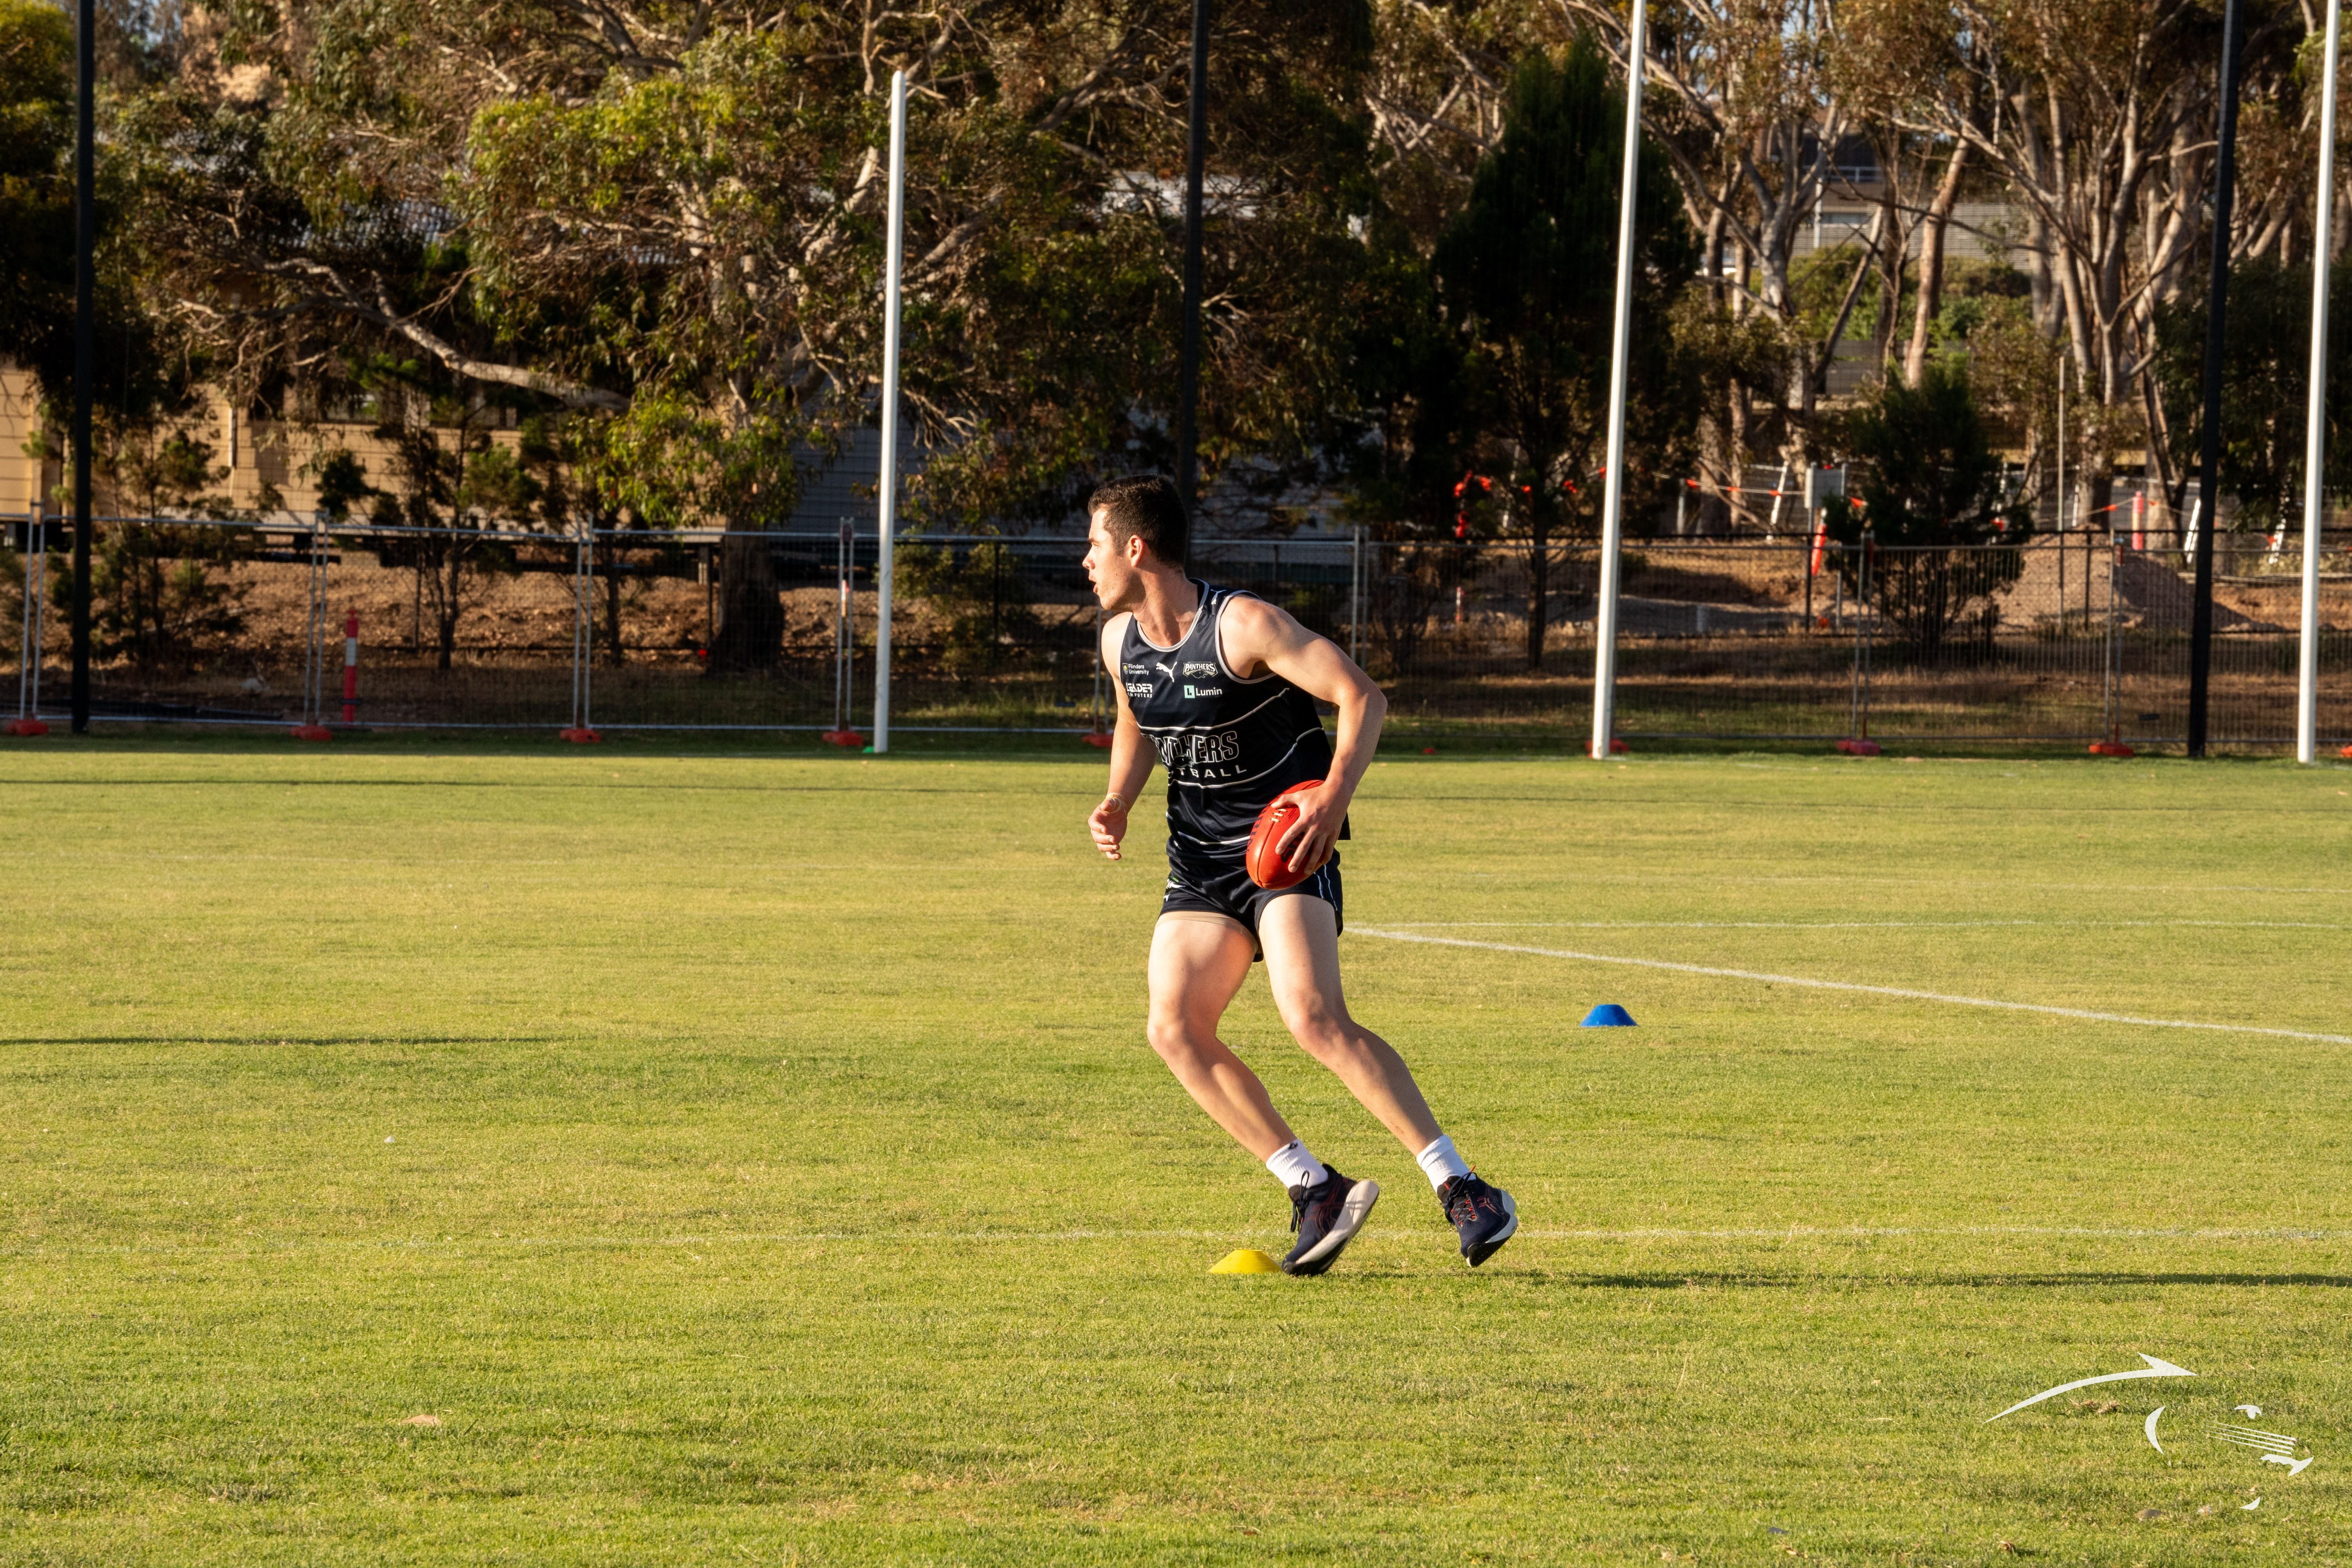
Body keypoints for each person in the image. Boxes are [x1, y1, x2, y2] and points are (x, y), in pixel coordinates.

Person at [1080, 474, 1517, 1275]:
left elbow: (1363, 696)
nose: (1087, 561)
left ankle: (1462, 1184)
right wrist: (1118, 799)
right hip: (1202, 863)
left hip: (1285, 850)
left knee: (1314, 1017)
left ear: (1136, 548)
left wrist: (1333, 794)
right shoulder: (1119, 642)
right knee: (1172, 1025)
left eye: (1096, 544)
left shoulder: (1244, 624)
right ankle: (1313, 1186)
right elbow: (1136, 717)